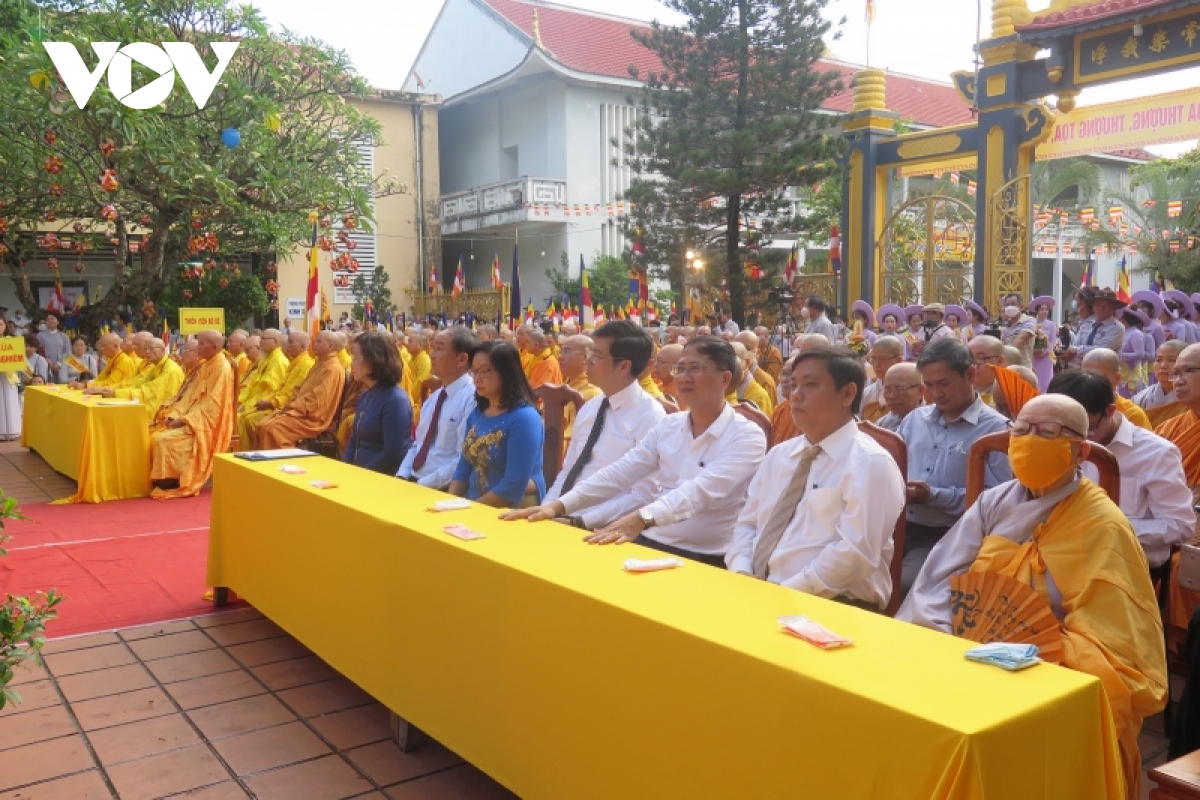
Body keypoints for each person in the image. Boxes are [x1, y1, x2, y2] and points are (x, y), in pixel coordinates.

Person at [899, 395, 1167, 799]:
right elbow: (941, 578)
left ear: (1078, 451)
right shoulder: (995, 500)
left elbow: (1112, 639)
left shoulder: (1103, 524)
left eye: (1046, 432)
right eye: (1020, 429)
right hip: (964, 646)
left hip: (1043, 664)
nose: (1027, 440)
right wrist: (946, 636)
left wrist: (1025, 653)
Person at [512, 336, 767, 567]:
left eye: (696, 369)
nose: (684, 377)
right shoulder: (670, 425)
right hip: (649, 540)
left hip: (704, 556)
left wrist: (641, 517)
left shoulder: (747, 436)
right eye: (680, 368)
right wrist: (556, 506)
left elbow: (699, 491)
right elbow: (621, 472)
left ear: (724, 379)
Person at [727, 348, 905, 609]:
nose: (795, 395)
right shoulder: (780, 455)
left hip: (833, 603)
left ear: (847, 394)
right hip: (757, 591)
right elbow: (747, 524)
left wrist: (783, 594)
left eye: (810, 385)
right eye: (793, 384)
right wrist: (742, 571)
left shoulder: (870, 462)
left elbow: (855, 555)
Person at [506, 320, 667, 529]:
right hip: (561, 513)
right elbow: (569, 469)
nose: (588, 361)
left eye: (597, 356)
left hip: (602, 526)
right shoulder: (591, 407)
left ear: (624, 366)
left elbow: (642, 495)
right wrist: (547, 510)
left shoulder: (650, 416)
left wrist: (580, 521)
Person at [896, 338, 1012, 592]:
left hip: (951, 534)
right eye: (928, 385)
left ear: (970, 375)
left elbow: (997, 502)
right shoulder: (915, 419)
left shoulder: (996, 430)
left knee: (904, 586)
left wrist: (933, 496)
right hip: (898, 524)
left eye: (944, 383)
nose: (936, 394)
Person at [1047, 370, 1193, 569]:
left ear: (1110, 411)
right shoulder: (1057, 441)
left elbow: (1181, 525)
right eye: (1065, 430)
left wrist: (1108, 528)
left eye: (1087, 428)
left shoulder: (1156, 453)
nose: (1078, 440)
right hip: (1062, 554)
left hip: (1128, 565)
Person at [448, 341, 545, 508]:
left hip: (512, 510)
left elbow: (513, 485)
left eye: (485, 371)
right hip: (474, 505)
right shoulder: (477, 413)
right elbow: (463, 469)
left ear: (507, 373)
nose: (477, 378)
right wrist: (449, 504)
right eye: (474, 371)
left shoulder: (524, 418)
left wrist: (471, 511)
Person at [148, 331, 236, 499]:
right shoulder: (206, 365)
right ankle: (163, 477)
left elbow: (212, 406)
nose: (198, 347)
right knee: (155, 431)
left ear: (215, 347)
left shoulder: (222, 368)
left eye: (202, 344)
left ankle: (171, 480)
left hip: (204, 422)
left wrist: (184, 420)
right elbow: (189, 398)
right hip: (191, 416)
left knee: (161, 439)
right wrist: (175, 415)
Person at [398, 327, 478, 488]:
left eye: (439, 348)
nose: (431, 355)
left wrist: (422, 485)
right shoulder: (435, 397)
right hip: (414, 479)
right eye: (432, 348)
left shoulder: (472, 398)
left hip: (443, 486)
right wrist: (402, 474)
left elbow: (464, 458)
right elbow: (418, 443)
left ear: (462, 359)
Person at [255, 330, 347, 450]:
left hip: (312, 418)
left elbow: (318, 400)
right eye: (315, 341)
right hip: (300, 410)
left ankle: (282, 464)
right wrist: (289, 404)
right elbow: (299, 388)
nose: (314, 344)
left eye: (319, 341)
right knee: (262, 425)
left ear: (331, 345)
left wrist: (293, 407)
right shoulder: (320, 364)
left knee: (271, 428)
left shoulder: (333, 368)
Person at [342, 331, 412, 475]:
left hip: (381, 478)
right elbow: (355, 440)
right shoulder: (367, 394)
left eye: (355, 357)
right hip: (358, 472)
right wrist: (344, 469)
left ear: (373, 362)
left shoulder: (396, 400)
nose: (351, 363)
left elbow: (392, 453)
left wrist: (362, 475)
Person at [88, 338, 184, 420]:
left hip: (163, 413)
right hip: (148, 404)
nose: (147, 352)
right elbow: (135, 384)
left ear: (163, 350)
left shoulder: (170, 370)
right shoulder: (155, 366)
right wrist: (107, 390)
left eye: (151, 349)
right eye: (146, 349)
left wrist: (112, 392)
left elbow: (147, 393)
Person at [968, 335, 1038, 419]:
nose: (974, 365)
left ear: (1000, 361)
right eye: (969, 358)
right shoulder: (960, 393)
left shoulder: (1013, 389)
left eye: (981, 358)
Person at [1080, 348, 1153, 430]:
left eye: (1098, 377)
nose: (1090, 381)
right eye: (1086, 376)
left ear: (1117, 378)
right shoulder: (1076, 407)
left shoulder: (1132, 414)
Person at [557, 334, 604, 451]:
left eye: (567, 352)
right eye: (561, 351)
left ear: (585, 357)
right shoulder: (563, 388)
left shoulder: (593, 393)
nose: (560, 357)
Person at [1134, 340, 1189, 427]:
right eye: (1158, 360)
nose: (1163, 365)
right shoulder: (1141, 398)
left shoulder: (1193, 398)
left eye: (1171, 360)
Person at [1066, 287, 1126, 366]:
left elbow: (1101, 350)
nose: (1101, 308)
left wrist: (1076, 350)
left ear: (1113, 308)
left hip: (1105, 370)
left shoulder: (1117, 328)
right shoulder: (1087, 325)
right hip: (1084, 369)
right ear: (1093, 306)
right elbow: (1075, 345)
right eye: (1098, 304)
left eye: (1106, 305)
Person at [861, 337, 904, 423]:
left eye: (882, 359)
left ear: (898, 360)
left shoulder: (911, 390)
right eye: (873, 359)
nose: (876, 364)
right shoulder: (867, 393)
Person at [70, 333, 134, 389]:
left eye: (104, 346)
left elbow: (110, 384)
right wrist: (87, 383)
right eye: (101, 345)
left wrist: (86, 385)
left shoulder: (124, 361)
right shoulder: (111, 359)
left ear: (116, 346)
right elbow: (100, 378)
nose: (101, 349)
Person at [876, 362, 922, 432]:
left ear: (920, 391)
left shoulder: (931, 424)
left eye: (900, 389)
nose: (891, 396)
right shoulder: (882, 424)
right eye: (887, 389)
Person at [730, 342, 773, 414]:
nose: (727, 368)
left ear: (747, 362)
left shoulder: (759, 396)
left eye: (732, 363)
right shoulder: (717, 391)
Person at [406, 330, 433, 423]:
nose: (407, 343)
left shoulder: (425, 360)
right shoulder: (411, 359)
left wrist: (406, 399)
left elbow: (420, 384)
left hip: (419, 402)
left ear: (420, 346)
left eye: (410, 341)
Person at [36, 314, 71, 384]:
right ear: (45, 323)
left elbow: (67, 352)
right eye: (48, 320)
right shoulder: (40, 336)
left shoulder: (64, 336)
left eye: (52, 319)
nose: (50, 321)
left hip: (61, 365)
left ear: (57, 322)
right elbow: (37, 350)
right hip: (46, 364)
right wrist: (46, 360)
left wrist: (59, 364)